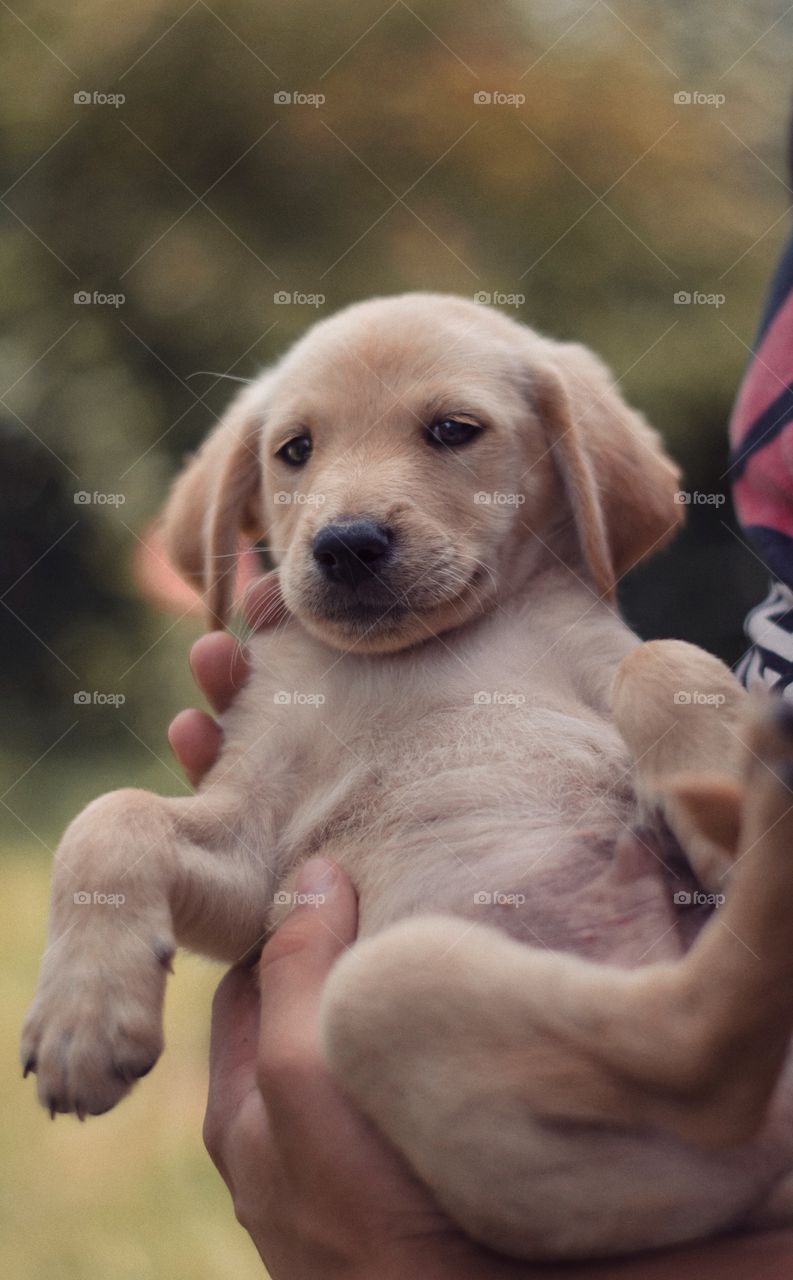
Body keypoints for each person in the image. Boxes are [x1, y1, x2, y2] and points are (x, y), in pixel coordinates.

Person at [167, 576, 793, 1279]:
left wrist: (415, 1261)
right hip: (609, 1131)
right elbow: (237, 888)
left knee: (387, 992)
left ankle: (707, 1019)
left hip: (670, 1129)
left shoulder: (579, 633)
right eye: (295, 457)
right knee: (389, 991)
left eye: (447, 453)